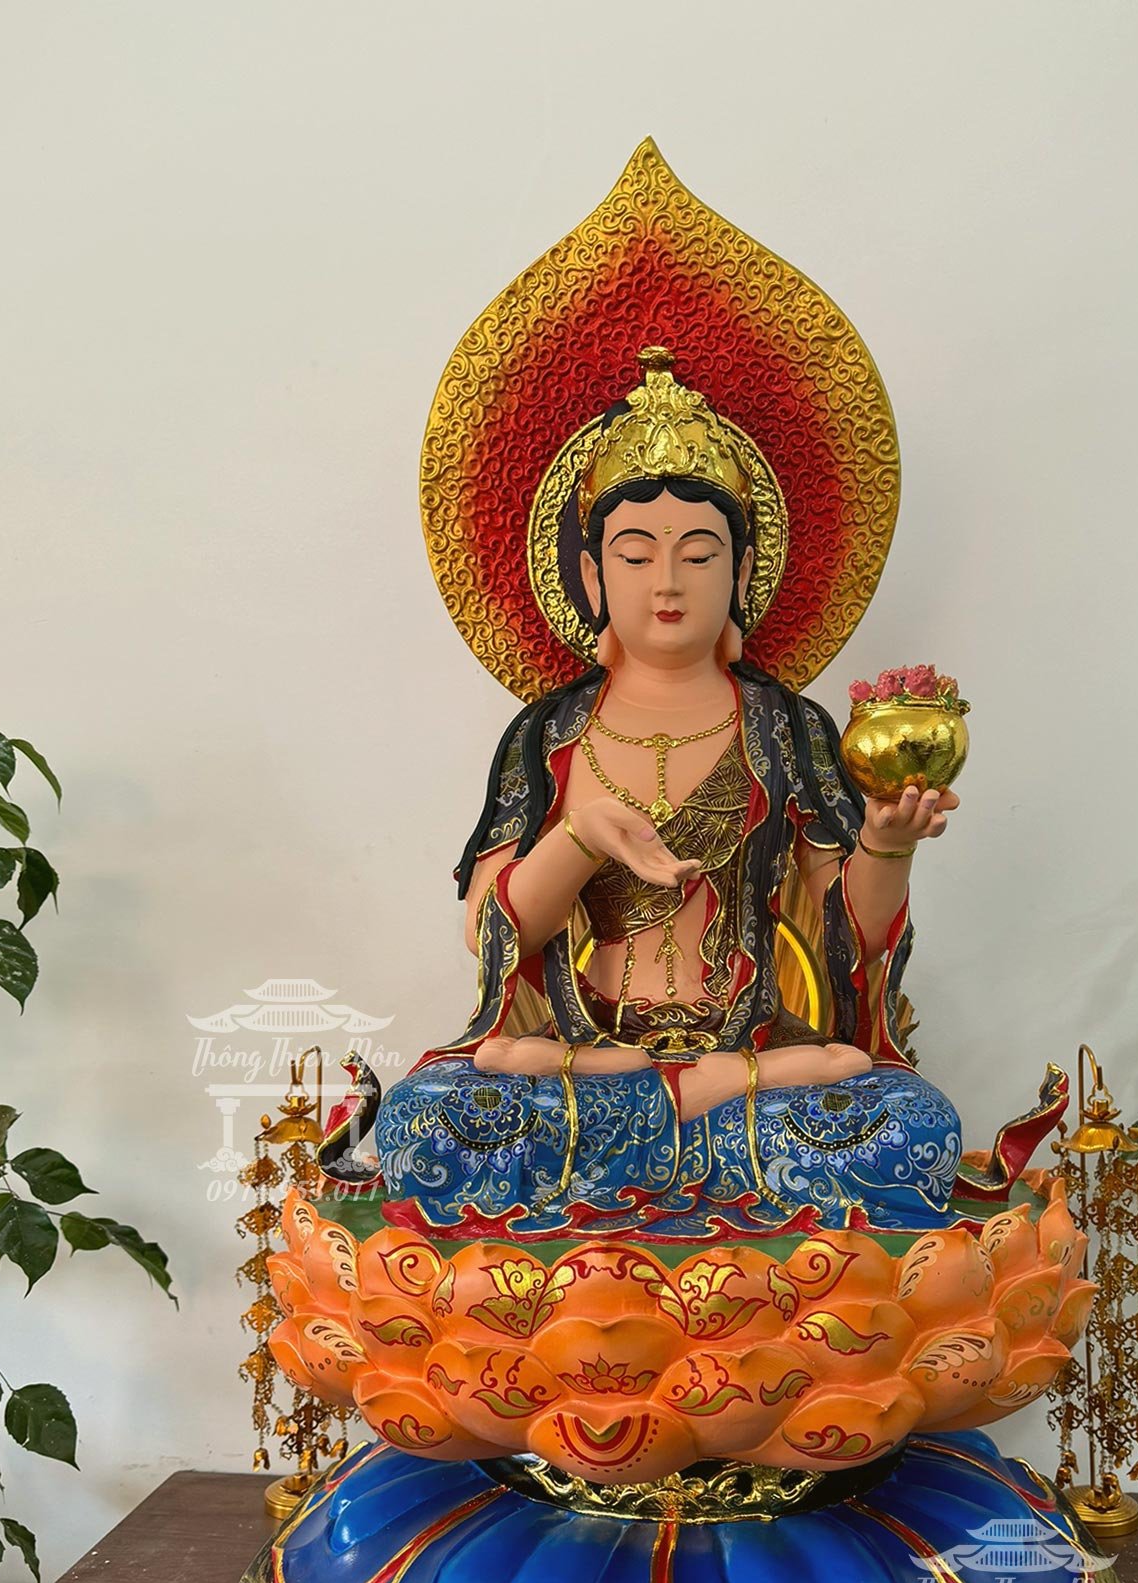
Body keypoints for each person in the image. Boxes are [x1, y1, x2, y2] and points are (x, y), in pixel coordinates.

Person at [368, 353, 966, 1239]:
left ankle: (671, 1121)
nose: (668, 582)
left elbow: (852, 936)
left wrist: (888, 841)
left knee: (911, 1131)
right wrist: (580, 836)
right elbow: (491, 932)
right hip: (585, 1065)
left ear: (742, 570)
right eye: (636, 554)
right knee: (426, 1124)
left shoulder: (787, 728)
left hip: (750, 1061)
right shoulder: (548, 735)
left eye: (698, 553)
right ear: (592, 576)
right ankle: (688, 1119)